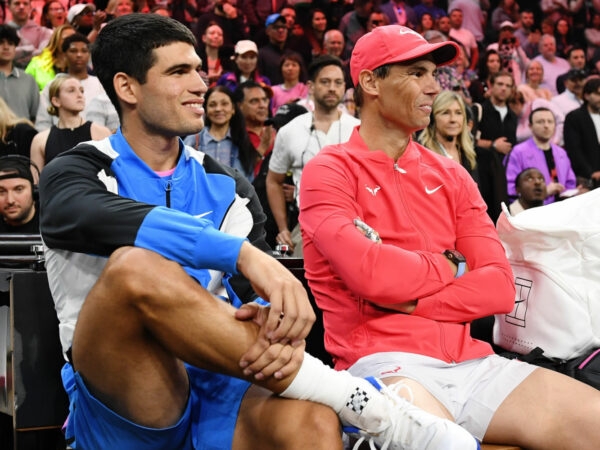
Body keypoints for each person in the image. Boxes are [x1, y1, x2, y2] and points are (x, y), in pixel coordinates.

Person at [38, 14, 480, 450]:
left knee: (309, 419)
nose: (199, 85)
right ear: (126, 87)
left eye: (198, 69)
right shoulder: (77, 169)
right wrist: (241, 254)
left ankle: (350, 405)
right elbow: (79, 215)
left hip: (223, 380)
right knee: (136, 266)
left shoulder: (228, 184)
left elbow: (254, 297)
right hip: (129, 395)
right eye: (178, 72)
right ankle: (364, 404)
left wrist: (273, 317)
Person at [300, 24, 600, 450]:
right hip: (383, 364)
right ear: (370, 82)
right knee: (445, 445)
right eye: (416, 73)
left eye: (433, 74)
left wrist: (409, 299)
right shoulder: (328, 171)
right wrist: (451, 264)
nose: (432, 88)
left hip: (474, 361)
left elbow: (499, 286)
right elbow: (370, 275)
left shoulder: (451, 173)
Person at [266, 55, 359, 257]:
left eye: (338, 82)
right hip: (306, 226)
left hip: (356, 227)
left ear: (345, 87)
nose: (332, 88)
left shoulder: (359, 129)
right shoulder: (291, 130)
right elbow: (273, 180)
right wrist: (283, 228)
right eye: (325, 82)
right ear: (311, 86)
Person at [30, 74, 111, 169]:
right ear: (56, 101)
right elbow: (36, 181)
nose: (80, 95)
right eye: (71, 90)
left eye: (81, 91)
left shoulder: (101, 133)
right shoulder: (40, 140)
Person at [183, 85, 258, 181]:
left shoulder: (243, 141)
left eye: (224, 104)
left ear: (233, 109)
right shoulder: (194, 140)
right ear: (205, 110)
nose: (218, 109)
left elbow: (249, 182)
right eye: (212, 105)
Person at [505, 107, 577, 204]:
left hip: (562, 208)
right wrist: (543, 192)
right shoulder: (518, 152)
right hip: (533, 210)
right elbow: (511, 188)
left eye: (550, 122)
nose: (546, 125)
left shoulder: (561, 153)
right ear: (530, 126)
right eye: (540, 122)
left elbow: (570, 182)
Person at [35, 32, 105, 130]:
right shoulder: (53, 86)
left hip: (97, 140)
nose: (79, 55)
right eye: (73, 51)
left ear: (89, 54)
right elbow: (43, 123)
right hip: (60, 141)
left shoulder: (100, 84)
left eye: (84, 51)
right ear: (64, 55)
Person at [418, 90, 478, 182]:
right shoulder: (420, 154)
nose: (453, 119)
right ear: (433, 118)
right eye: (446, 113)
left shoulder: (468, 154)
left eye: (458, 113)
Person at [563, 77, 600, 187]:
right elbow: (574, 150)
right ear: (587, 96)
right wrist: (590, 173)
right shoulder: (574, 117)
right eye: (598, 94)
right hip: (587, 178)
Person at [0, 24, 39, 122]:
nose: (6, 47)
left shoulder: (28, 80)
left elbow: (36, 116)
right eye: (1, 43)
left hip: (23, 135)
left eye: (11, 43)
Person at [25, 23, 75, 91]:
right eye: (66, 39)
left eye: (74, 39)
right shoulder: (37, 64)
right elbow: (25, 90)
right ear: (56, 40)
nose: (70, 43)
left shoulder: (80, 65)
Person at [6, 0, 53, 68]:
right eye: (17, 3)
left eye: (25, 4)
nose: (21, 7)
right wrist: (30, 49)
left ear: (30, 7)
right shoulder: (2, 32)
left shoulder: (43, 32)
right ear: (9, 7)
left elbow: (42, 55)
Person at [0, 154, 39, 233]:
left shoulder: (55, 223)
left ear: (33, 192)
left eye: (19, 189)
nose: (10, 201)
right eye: (1, 191)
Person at [195, 22, 234, 87]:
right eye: (212, 33)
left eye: (219, 34)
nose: (216, 36)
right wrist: (208, 79)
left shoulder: (227, 58)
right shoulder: (196, 58)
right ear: (204, 38)